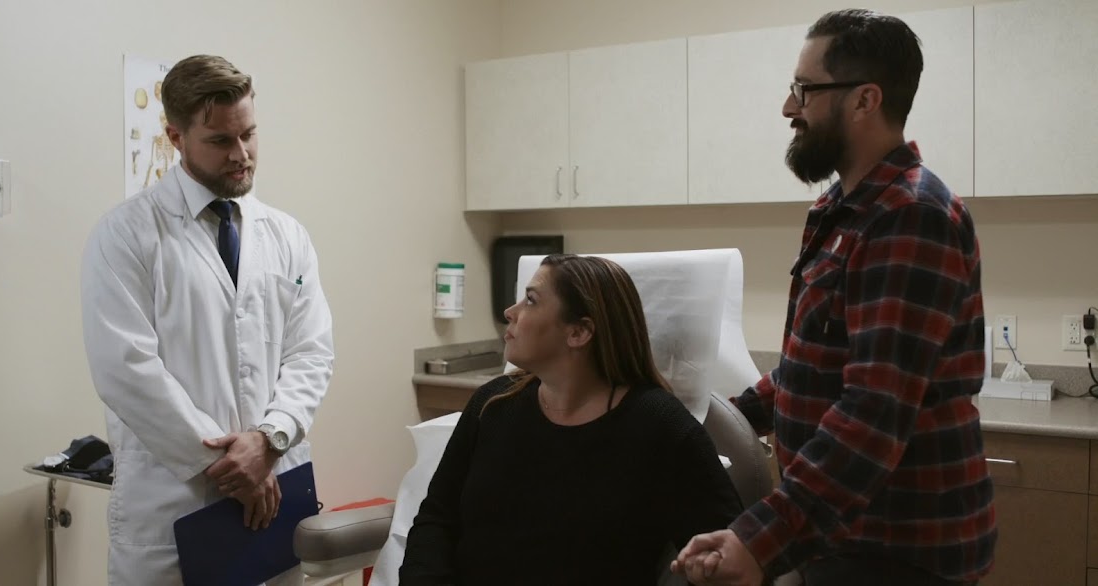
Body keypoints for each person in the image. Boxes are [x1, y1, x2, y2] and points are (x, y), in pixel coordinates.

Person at [673, 9, 996, 586]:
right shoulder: (838, 209)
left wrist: (759, 539)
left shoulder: (910, 215)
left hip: (899, 550)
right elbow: (812, 367)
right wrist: (708, 418)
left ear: (865, 100)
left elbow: (873, 410)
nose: (788, 107)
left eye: (805, 89)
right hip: (838, 537)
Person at [80, 54, 334, 585]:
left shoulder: (287, 236)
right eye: (220, 141)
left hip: (273, 491)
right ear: (175, 137)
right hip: (174, 506)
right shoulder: (126, 235)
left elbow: (310, 351)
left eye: (249, 134)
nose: (241, 154)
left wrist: (269, 440)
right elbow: (126, 369)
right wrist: (231, 468)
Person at [399, 254, 745, 585]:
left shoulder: (662, 428)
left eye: (531, 301)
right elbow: (436, 519)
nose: (510, 312)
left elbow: (727, 558)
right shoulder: (492, 405)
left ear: (578, 332)